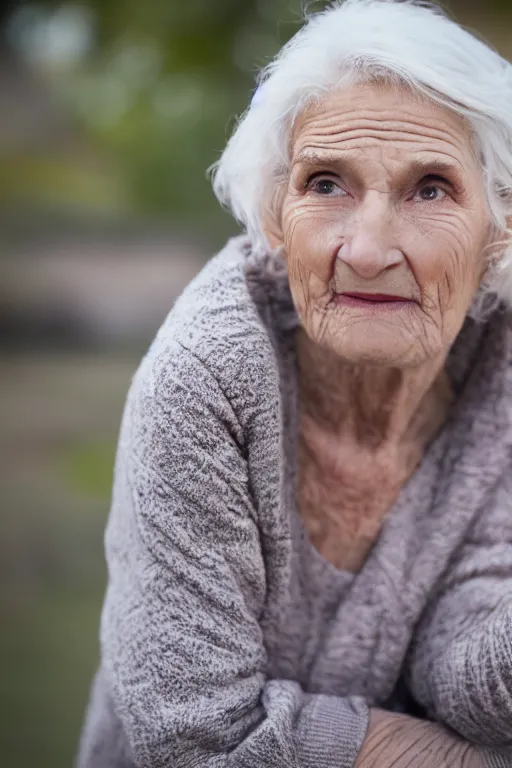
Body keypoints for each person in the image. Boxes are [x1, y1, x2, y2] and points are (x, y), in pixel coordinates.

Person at [78, 1, 512, 766]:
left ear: (499, 224)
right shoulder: (202, 380)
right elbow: (195, 737)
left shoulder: (499, 368)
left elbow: (460, 655)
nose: (370, 248)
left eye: (432, 189)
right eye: (326, 184)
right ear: (276, 215)